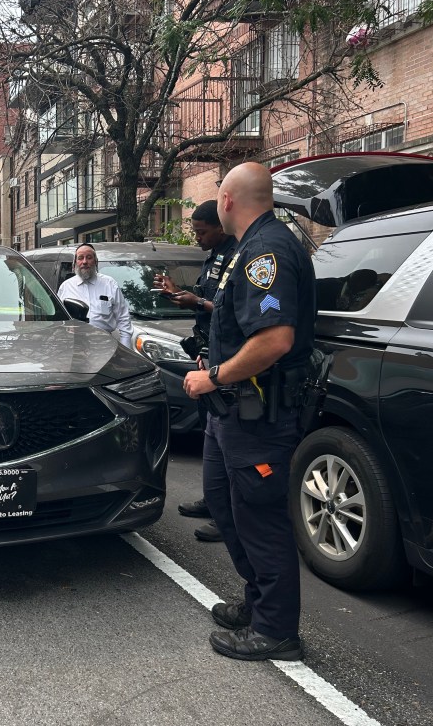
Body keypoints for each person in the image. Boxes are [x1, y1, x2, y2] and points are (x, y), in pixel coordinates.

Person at [182, 162, 316, 662]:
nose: (215, 201)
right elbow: (243, 325)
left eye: (219, 192)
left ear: (230, 200)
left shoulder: (267, 250)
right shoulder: (247, 247)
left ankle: (277, 631)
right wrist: (214, 361)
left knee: (259, 517)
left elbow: (276, 339)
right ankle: (260, 601)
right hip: (231, 411)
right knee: (224, 501)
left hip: (258, 414)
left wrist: (215, 376)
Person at [153, 200, 237, 543]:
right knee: (210, 434)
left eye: (202, 232)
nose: (197, 238)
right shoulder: (215, 255)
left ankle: (228, 515)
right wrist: (180, 294)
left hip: (224, 360)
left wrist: (197, 303)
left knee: (228, 441)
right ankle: (214, 499)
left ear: (220, 227)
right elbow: (207, 295)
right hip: (206, 350)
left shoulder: (238, 255)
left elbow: (233, 308)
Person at [58, 242, 133, 347]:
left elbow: (123, 319)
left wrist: (126, 349)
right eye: (80, 258)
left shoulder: (109, 284)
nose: (84, 262)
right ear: (75, 263)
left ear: (96, 262)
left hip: (104, 346)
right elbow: (59, 321)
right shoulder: (66, 287)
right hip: (74, 347)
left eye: (89, 257)